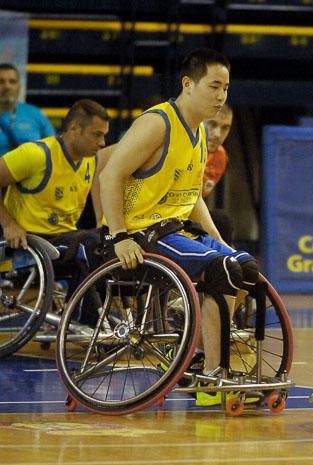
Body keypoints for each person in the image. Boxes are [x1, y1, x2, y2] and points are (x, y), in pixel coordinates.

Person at [99, 49, 258, 406]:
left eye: (226, 89)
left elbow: (192, 196)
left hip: (172, 230)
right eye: (214, 86)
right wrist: (119, 235)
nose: (221, 96)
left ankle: (200, 350)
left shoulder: (199, 133)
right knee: (223, 270)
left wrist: (219, 239)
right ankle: (212, 378)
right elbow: (110, 174)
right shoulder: (158, 123)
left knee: (245, 266)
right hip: (139, 234)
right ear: (188, 84)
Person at [0, 99, 109, 324]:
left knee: (109, 241)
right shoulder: (36, 154)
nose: (102, 142)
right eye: (96, 135)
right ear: (74, 129)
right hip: (26, 247)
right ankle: (86, 325)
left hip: (61, 245)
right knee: (89, 243)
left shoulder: (89, 161)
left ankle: (94, 321)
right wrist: (8, 224)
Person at [0, 63, 55, 156]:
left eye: (12, 82)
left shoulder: (35, 114)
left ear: (19, 87)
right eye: (1, 81)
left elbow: (54, 149)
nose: (7, 86)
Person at [203, 103, 235, 245]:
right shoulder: (181, 148)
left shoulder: (220, 157)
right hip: (158, 215)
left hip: (186, 212)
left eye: (225, 128)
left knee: (222, 221)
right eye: (212, 124)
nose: (217, 134)